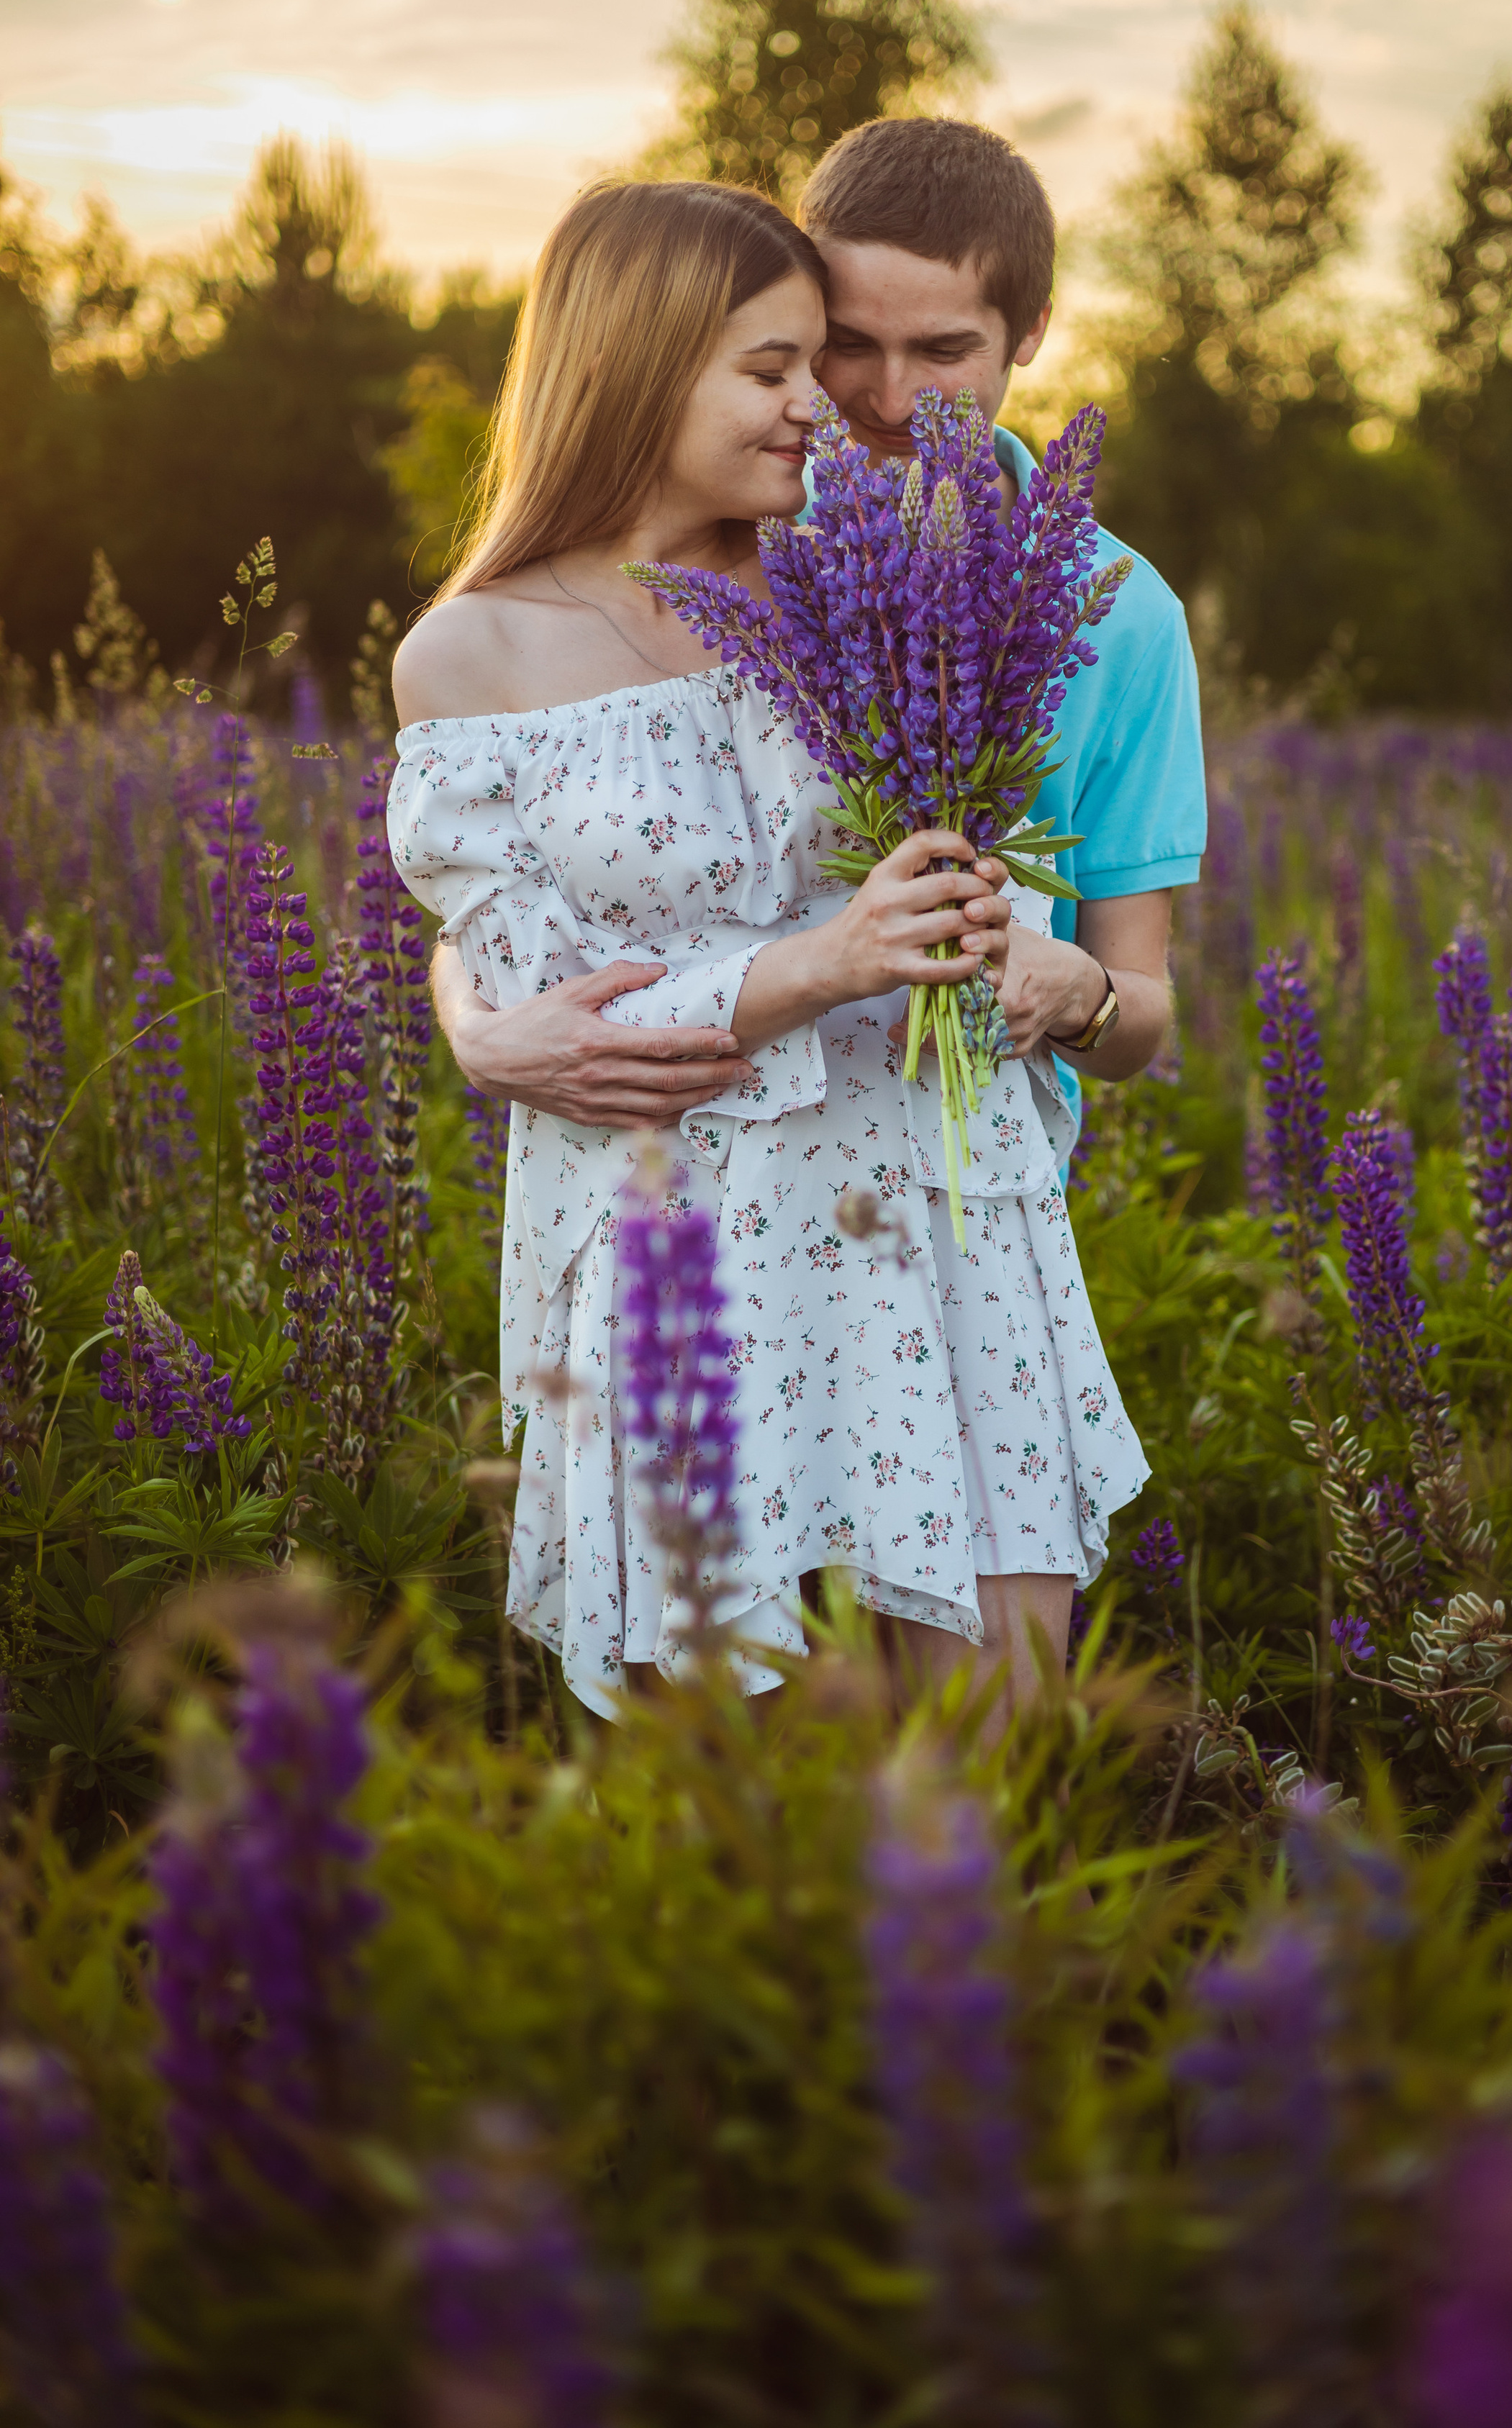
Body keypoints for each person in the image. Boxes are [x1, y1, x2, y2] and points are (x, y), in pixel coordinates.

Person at [388, 178, 1147, 1712]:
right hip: (681, 1241)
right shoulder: (470, 651)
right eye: (771, 368)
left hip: (932, 1201)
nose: (821, 405)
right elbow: (553, 1012)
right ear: (636, 362)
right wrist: (823, 962)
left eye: (814, 361)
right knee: (728, 1765)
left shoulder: (860, 576)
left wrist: (997, 944)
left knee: (996, 1733)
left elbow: (984, 851)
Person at [429, 117, 1208, 1154]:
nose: (888, 397)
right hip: (703, 1175)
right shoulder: (747, 540)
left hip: (974, 1177)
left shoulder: (1124, 610)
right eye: (847, 344)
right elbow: (571, 860)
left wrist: (1080, 994)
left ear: (1031, 331)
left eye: (943, 350)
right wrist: (474, 1023)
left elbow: (1137, 1011)